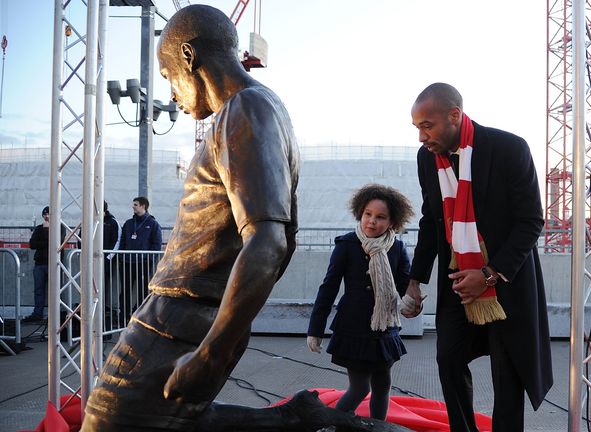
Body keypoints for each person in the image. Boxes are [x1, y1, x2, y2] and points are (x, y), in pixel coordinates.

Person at [82, 6, 405, 432]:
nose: (173, 94)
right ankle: (296, 419)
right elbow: (283, 240)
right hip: (192, 311)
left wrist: (212, 350)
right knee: (175, 422)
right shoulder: (261, 109)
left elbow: (269, 243)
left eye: (168, 76)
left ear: (188, 55)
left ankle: (299, 421)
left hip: (181, 314)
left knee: (107, 424)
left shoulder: (245, 109)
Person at [405, 82, 553, 431]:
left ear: (454, 115)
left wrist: (488, 274)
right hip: (458, 280)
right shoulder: (427, 159)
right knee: (448, 359)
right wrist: (415, 280)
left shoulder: (508, 148)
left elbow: (532, 220)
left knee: (507, 376)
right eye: (417, 128)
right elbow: (431, 220)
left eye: (428, 126)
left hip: (505, 283)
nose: (422, 137)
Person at [307, 184, 414, 421]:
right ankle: (331, 425)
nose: (372, 221)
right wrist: (315, 329)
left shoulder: (396, 247)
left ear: (392, 222)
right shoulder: (347, 244)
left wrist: (412, 302)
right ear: (360, 212)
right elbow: (328, 287)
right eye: (368, 214)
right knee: (360, 388)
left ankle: (378, 427)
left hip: (384, 327)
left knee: (383, 385)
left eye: (380, 217)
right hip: (353, 327)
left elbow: (405, 283)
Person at [117, 196, 161, 323]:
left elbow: (156, 244)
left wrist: (149, 258)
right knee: (125, 290)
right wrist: (121, 256)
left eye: (135, 204)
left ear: (143, 206)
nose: (133, 207)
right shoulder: (129, 223)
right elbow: (123, 241)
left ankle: (139, 315)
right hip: (126, 262)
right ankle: (123, 316)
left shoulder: (153, 224)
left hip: (143, 263)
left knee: (142, 290)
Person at [25, 206, 52, 322]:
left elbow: (56, 243)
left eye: (49, 214)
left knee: (55, 290)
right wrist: (45, 239)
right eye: (45, 214)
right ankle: (37, 314)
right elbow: (32, 244)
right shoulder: (38, 228)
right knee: (38, 290)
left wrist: (47, 231)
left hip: (53, 264)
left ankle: (54, 315)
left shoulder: (59, 227)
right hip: (40, 263)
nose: (46, 216)